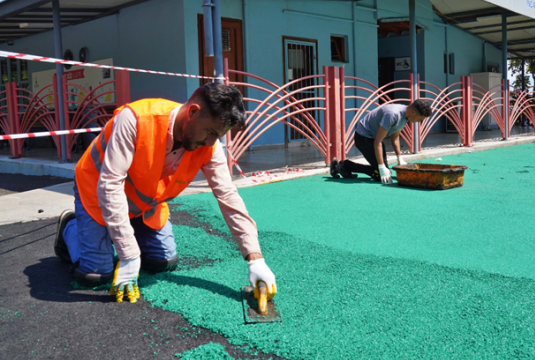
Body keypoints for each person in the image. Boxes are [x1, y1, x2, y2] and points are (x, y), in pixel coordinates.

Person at [53, 83, 277, 304]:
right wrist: (129, 256)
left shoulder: (209, 146)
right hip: (97, 192)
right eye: (210, 132)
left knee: (164, 262)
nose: (211, 142)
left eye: (217, 136)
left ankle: (123, 231)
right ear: (192, 111)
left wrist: (254, 259)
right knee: (95, 275)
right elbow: (110, 185)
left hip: (145, 203)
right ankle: (70, 226)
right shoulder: (135, 119)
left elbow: (227, 195)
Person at [330, 100, 432, 184]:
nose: (419, 122)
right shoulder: (392, 114)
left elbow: (395, 137)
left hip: (373, 139)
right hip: (364, 138)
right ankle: (343, 166)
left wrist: (399, 157)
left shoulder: (406, 116)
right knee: (381, 174)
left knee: (386, 173)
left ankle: (344, 166)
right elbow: (377, 142)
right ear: (413, 112)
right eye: (420, 119)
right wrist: (381, 167)